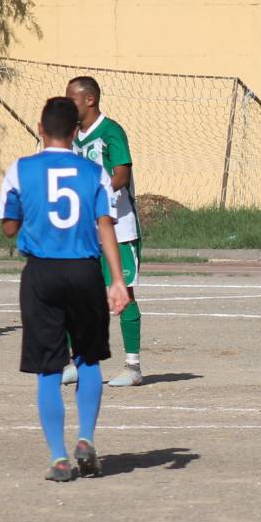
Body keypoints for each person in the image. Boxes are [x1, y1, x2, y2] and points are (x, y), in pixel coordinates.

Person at [0, 97, 129, 482]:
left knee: (48, 367)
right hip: (85, 272)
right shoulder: (93, 172)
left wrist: (24, 214)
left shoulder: (21, 169)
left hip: (41, 274)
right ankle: (85, 438)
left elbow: (8, 225)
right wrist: (116, 281)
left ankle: (58, 456)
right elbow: (106, 224)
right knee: (89, 358)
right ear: (75, 132)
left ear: (40, 129)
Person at [64, 76, 144, 387]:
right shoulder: (72, 137)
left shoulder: (111, 132)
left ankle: (133, 367)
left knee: (123, 294)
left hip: (119, 228)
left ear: (89, 100)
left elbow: (122, 174)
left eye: (71, 98)